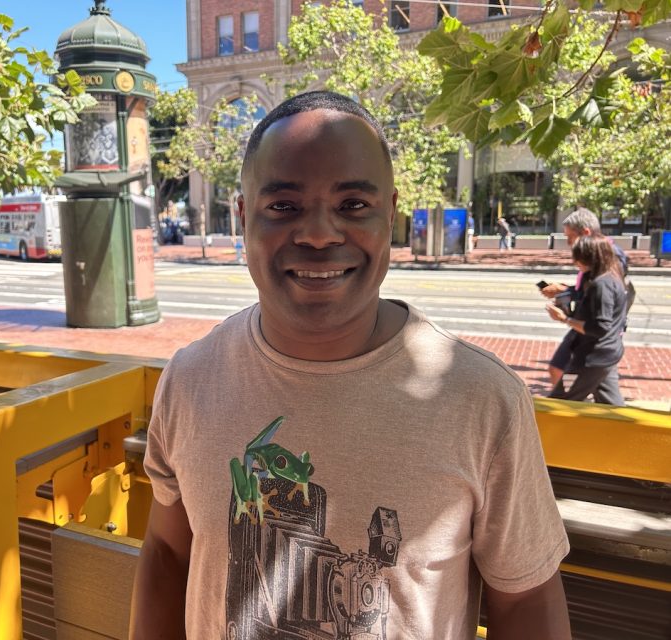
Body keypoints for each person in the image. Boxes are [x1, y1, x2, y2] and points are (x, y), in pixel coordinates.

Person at [130, 92, 570, 640]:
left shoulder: (482, 398)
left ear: (391, 213)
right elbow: (170, 551)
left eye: (354, 205)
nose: (319, 234)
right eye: (284, 206)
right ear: (243, 217)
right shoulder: (190, 379)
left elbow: (527, 601)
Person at [541, 208, 630, 389]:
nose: (568, 243)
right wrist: (566, 290)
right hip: (594, 338)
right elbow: (590, 292)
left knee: (565, 385)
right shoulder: (596, 263)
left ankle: (567, 403)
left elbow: (604, 298)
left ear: (586, 233)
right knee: (605, 392)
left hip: (595, 341)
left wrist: (566, 318)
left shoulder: (608, 262)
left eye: (570, 237)